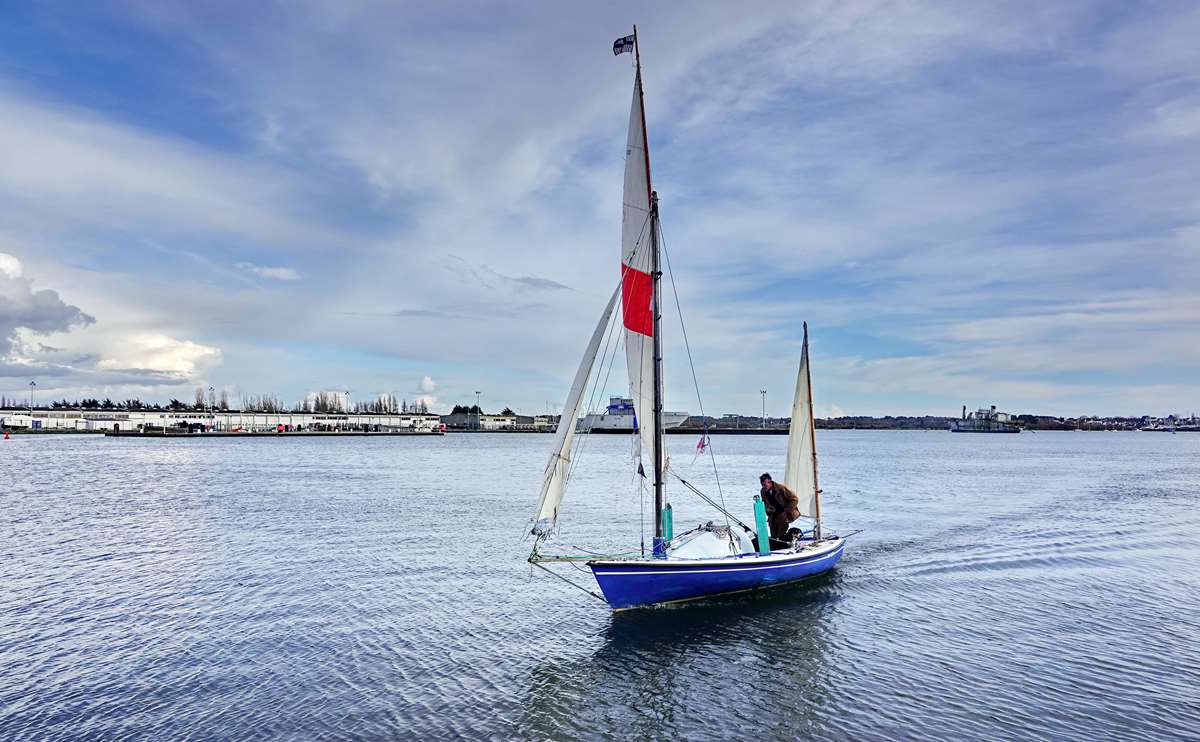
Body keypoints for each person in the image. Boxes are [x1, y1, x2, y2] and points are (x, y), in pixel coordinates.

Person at [759, 472, 800, 543]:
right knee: (773, 535)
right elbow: (764, 503)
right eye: (762, 485)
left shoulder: (781, 488)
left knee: (781, 533)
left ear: (770, 482)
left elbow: (794, 499)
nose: (764, 487)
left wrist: (787, 511)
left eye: (765, 485)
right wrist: (767, 509)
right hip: (773, 514)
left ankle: (783, 544)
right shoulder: (763, 491)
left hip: (785, 513)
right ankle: (776, 545)